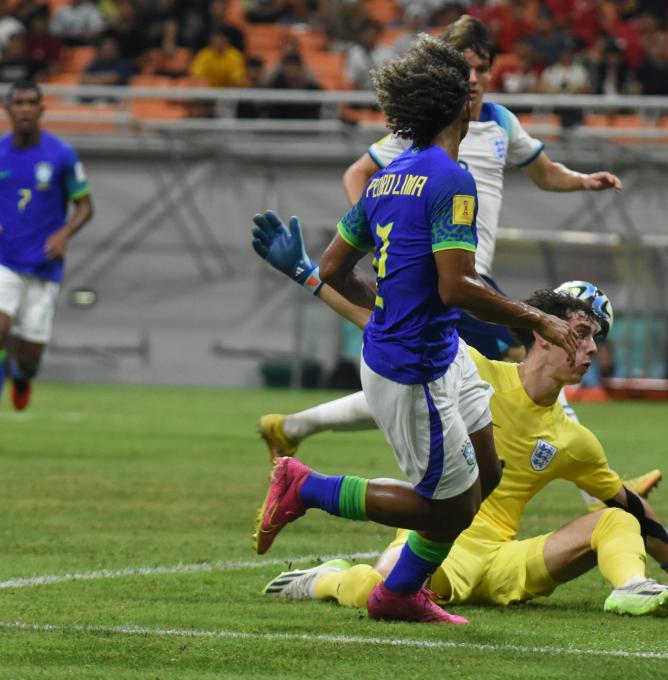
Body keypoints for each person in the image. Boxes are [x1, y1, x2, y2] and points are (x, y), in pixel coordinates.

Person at [250, 36, 579, 625]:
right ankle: (307, 489)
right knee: (448, 509)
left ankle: (399, 592)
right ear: (457, 107)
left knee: (489, 473)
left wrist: (384, 304)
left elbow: (333, 269)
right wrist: (538, 318)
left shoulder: (386, 179)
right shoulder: (452, 180)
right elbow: (458, 287)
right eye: (466, 83)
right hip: (413, 369)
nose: (475, 87)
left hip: (443, 352)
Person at [258, 16, 622, 470]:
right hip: (461, 280)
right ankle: (596, 483)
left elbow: (545, 172)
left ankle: (294, 428)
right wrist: (387, 231)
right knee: (531, 359)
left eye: (482, 68)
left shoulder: (499, 125)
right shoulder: (434, 159)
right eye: (465, 69)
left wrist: (582, 180)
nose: (474, 79)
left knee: (412, 366)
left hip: (451, 285)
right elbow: (361, 181)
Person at [260, 288, 668, 619]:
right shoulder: (472, 369)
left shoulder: (574, 439)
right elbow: (388, 322)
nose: (592, 349)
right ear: (542, 332)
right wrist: (312, 276)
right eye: (582, 334)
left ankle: (631, 587)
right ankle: (326, 579)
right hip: (440, 537)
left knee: (616, 519)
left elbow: (629, 503)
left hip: (501, 560)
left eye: (596, 339)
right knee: (378, 593)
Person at [0, 81, 94, 456]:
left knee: (29, 356)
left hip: (43, 264)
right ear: (7, 109)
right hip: (1, 256)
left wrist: (64, 233)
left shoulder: (61, 154)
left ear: (41, 109)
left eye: (31, 103)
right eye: (17, 103)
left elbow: (85, 206)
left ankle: (22, 378)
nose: (24, 109)